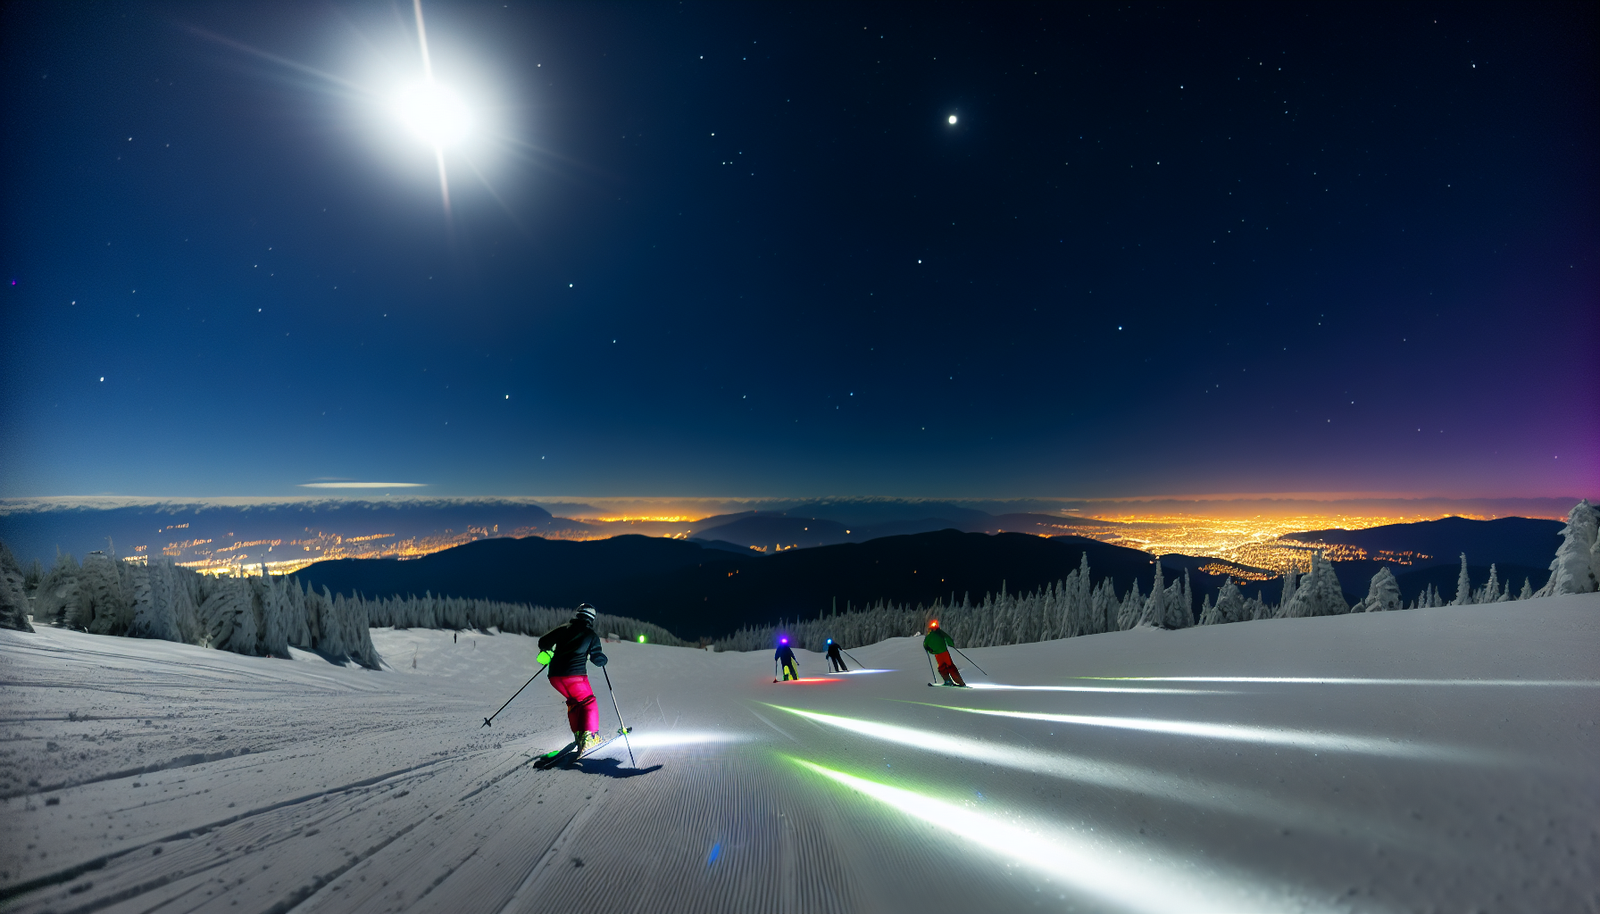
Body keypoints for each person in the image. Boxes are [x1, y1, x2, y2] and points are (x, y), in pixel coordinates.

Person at [537, 603, 609, 754]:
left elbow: (543, 642)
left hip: (555, 677)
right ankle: (590, 738)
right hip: (575, 676)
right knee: (588, 701)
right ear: (592, 618)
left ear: (578, 614)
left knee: (574, 702)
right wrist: (602, 658)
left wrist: (550, 650)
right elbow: (597, 658)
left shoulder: (564, 628)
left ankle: (579, 735)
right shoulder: (591, 635)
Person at [923, 620, 966, 687]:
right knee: (946, 667)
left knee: (946, 666)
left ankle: (956, 682)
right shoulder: (939, 633)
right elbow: (947, 638)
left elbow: (925, 644)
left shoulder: (932, 635)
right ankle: (952, 681)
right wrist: (951, 644)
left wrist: (928, 649)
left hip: (939, 653)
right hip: (940, 653)